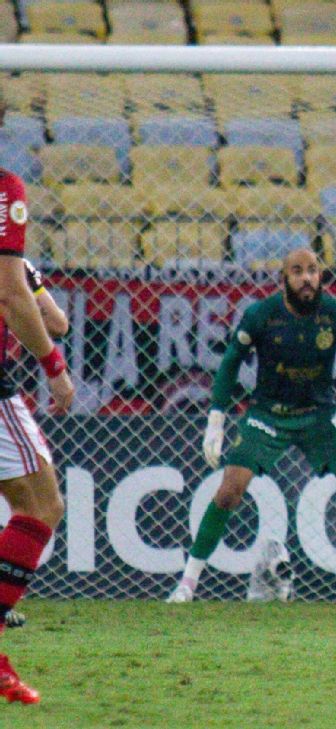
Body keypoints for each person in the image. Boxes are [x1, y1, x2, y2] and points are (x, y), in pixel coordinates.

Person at [167, 249, 336, 604]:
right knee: (229, 490)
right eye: (297, 272)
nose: (307, 278)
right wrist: (216, 422)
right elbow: (230, 364)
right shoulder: (261, 315)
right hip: (267, 414)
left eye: (313, 271)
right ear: (284, 279)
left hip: (320, 414)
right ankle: (187, 585)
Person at [0, 86, 77, 705]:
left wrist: (24, 277)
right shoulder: (4, 191)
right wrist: (53, 369)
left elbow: (45, 310)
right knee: (42, 504)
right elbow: (28, 308)